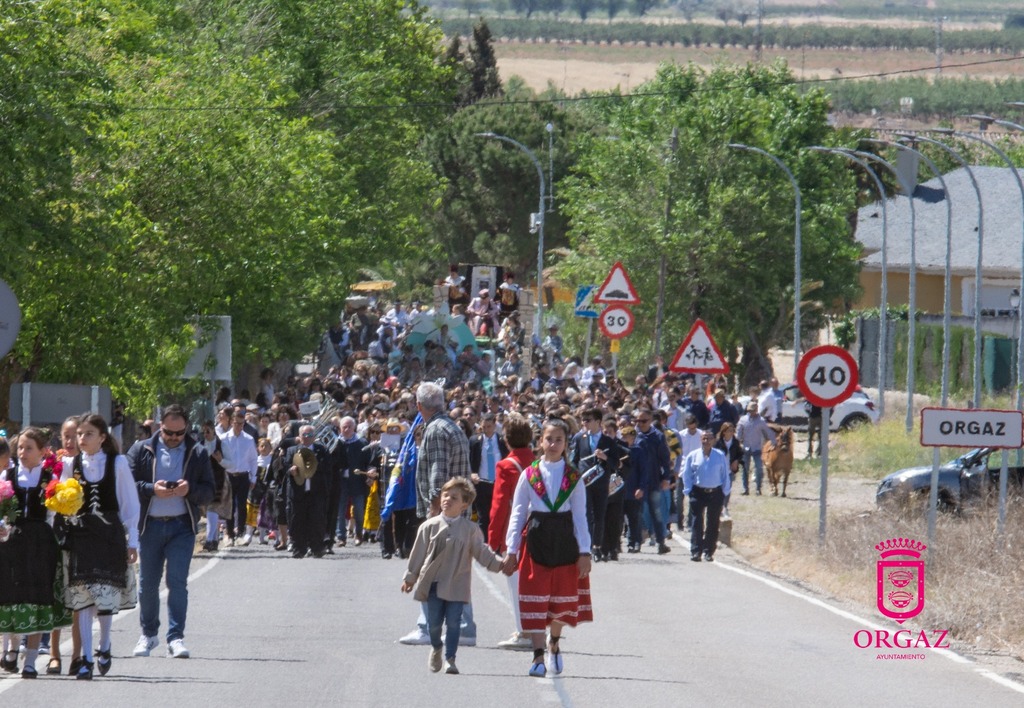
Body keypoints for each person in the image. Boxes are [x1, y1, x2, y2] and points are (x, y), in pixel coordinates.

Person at [505, 418, 593, 678]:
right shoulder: (529, 474)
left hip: (564, 543)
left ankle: (554, 640)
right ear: (540, 442)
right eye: (549, 439)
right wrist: (512, 549)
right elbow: (518, 512)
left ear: (566, 444)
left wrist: (585, 552)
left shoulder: (573, 476)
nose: (553, 444)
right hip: (537, 541)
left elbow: (580, 516)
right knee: (535, 599)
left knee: (557, 600)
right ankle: (537, 656)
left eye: (559, 440)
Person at [127, 405, 215, 663]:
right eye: (168, 432)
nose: (174, 438)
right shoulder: (141, 449)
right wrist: (152, 489)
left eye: (179, 433)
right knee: (147, 584)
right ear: (159, 426)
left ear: (186, 428)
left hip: (182, 527)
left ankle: (175, 637)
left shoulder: (197, 452)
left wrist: (190, 490)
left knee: (177, 582)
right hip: (150, 525)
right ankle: (149, 633)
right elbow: (128, 485)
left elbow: (210, 491)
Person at [61, 414, 140, 680]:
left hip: (109, 534)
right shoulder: (70, 464)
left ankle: (104, 644)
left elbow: (130, 503)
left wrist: (133, 540)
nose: (81, 439)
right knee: (82, 596)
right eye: (79, 434)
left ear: (103, 437)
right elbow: (60, 500)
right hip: (81, 535)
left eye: (88, 434)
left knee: (105, 593)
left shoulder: (117, 463)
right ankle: (85, 659)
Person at [401, 477, 505, 675]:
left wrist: (500, 565)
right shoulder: (428, 526)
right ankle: (436, 647)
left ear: (464, 504)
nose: (447, 499)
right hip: (433, 584)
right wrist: (409, 578)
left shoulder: (470, 530)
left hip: (457, 583)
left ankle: (450, 658)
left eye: (454, 497)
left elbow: (482, 552)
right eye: (445, 495)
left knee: (454, 622)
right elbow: (418, 554)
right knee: (434, 625)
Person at [400, 381, 474, 647]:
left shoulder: (435, 431)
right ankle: (464, 626)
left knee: (429, 570)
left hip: (444, 513)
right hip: (458, 510)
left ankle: (427, 626)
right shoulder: (452, 427)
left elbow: (438, 475)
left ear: (419, 406)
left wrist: (435, 510)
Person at [0, 428, 73, 678]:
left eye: (29, 448)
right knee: (10, 595)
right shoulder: (7, 475)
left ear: (42, 452)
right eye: (20, 447)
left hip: (41, 544)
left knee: (36, 596)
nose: (22, 452)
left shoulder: (51, 478)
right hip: (11, 543)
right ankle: (9, 648)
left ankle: (30, 660)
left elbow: (57, 513)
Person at [487, 413, 536, 650]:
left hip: (514, 532)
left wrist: (493, 539)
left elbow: (499, 504)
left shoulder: (506, 465)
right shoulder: (538, 461)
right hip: (539, 529)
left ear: (507, 440)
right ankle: (534, 628)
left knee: (516, 585)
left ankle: (524, 631)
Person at [570, 408, 615, 562]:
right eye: (583, 420)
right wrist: (575, 476)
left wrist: (605, 457)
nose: (584, 423)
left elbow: (616, 463)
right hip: (584, 483)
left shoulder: (608, 441)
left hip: (602, 483)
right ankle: (587, 546)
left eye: (588, 420)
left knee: (600, 515)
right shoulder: (579, 438)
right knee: (586, 514)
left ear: (598, 422)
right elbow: (573, 460)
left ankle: (597, 546)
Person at [283, 425, 331, 558]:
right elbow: (285, 467)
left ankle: (317, 548)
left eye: (310, 435)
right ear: (299, 436)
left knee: (317, 520)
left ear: (314, 437)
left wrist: (312, 464)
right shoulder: (292, 451)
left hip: (316, 492)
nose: (307, 437)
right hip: (298, 492)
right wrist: (291, 470)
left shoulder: (321, 450)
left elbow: (327, 468)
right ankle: (299, 548)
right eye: (304, 435)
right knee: (297, 520)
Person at [682, 431, 730, 562]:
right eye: (704, 438)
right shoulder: (693, 456)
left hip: (715, 492)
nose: (706, 441)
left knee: (713, 523)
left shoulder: (720, 456)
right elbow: (687, 474)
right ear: (700, 439)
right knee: (697, 522)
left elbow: (725, 474)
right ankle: (696, 551)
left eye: (709, 438)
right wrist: (688, 491)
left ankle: (709, 551)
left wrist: (725, 492)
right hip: (698, 492)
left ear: (714, 440)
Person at [629, 409, 672, 555]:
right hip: (637, 482)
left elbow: (665, 459)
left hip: (653, 481)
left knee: (656, 513)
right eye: (637, 421)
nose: (640, 424)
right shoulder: (634, 436)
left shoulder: (658, 437)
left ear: (650, 420)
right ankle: (636, 543)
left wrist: (666, 477)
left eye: (643, 421)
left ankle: (661, 542)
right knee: (637, 514)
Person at [220, 408, 258, 545]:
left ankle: (240, 532)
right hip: (229, 475)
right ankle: (229, 533)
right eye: (236, 423)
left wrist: (253, 478)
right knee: (229, 505)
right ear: (231, 423)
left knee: (242, 506)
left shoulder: (248, 439)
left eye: (241, 424)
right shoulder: (224, 439)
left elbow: (254, 460)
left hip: (243, 476)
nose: (239, 426)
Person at [468, 413, 508, 540]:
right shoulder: (475, 441)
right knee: (483, 516)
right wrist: (472, 474)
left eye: (489, 426)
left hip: (498, 483)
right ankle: (484, 543)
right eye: (484, 427)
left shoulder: (502, 441)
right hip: (482, 483)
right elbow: (470, 461)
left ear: (495, 425)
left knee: (497, 514)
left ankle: (496, 541)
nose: (486, 430)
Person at [736, 403, 777, 496]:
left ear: (756, 410)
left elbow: (768, 432)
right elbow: (738, 433)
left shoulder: (761, 421)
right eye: (750, 410)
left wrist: (774, 442)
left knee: (759, 469)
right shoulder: (743, 420)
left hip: (757, 448)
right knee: (745, 469)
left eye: (753, 410)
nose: (751, 412)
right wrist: (737, 444)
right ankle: (745, 488)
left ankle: (758, 488)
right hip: (745, 448)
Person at [714, 422, 743, 518]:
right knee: (718, 490)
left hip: (729, 471)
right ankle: (718, 507)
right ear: (723, 432)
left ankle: (725, 507)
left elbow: (740, 453)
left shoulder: (735, 442)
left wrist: (736, 461)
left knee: (727, 490)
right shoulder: (718, 442)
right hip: (719, 471)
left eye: (732, 431)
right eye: (728, 431)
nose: (730, 433)